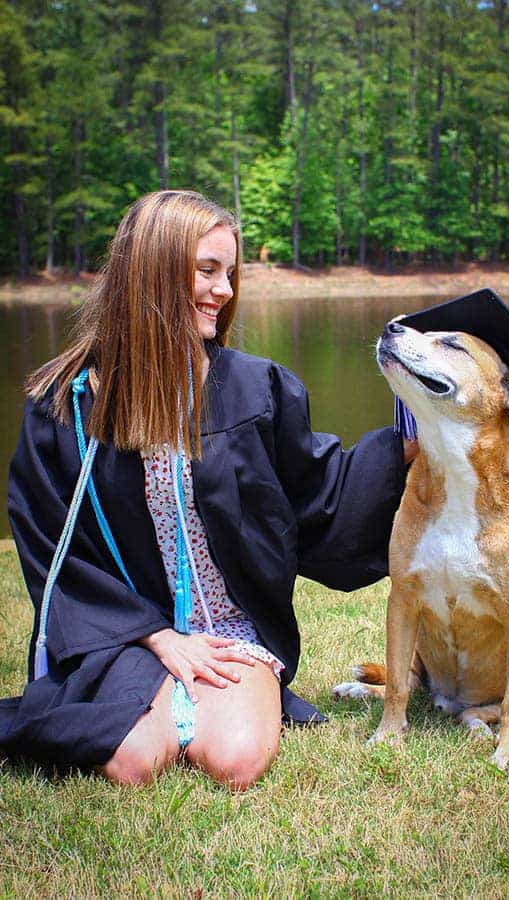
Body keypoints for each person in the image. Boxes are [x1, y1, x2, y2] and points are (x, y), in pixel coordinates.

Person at [0, 190, 417, 791]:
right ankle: (149, 689)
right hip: (125, 632)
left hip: (228, 627)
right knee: (132, 763)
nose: (223, 291)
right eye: (206, 270)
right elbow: (53, 550)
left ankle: (203, 695)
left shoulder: (252, 389)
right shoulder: (70, 409)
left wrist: (406, 444)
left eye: (229, 273)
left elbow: (319, 495)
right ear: (152, 270)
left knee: (237, 761)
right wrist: (157, 637)